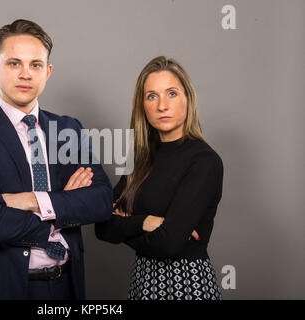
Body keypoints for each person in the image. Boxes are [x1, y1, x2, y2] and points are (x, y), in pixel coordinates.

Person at [0, 19, 113, 300]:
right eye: (14, 63)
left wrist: (32, 200)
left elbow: (102, 201)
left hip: (63, 287)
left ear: (47, 72)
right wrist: (64, 205)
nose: (25, 74)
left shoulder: (67, 129)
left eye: (35, 65)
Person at [95, 56, 224, 300]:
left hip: (186, 285)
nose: (162, 105)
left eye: (172, 94)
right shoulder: (140, 159)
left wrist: (128, 222)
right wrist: (145, 222)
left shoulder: (204, 161)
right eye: (152, 96)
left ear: (188, 98)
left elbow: (168, 244)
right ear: (142, 104)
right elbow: (102, 227)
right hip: (142, 283)